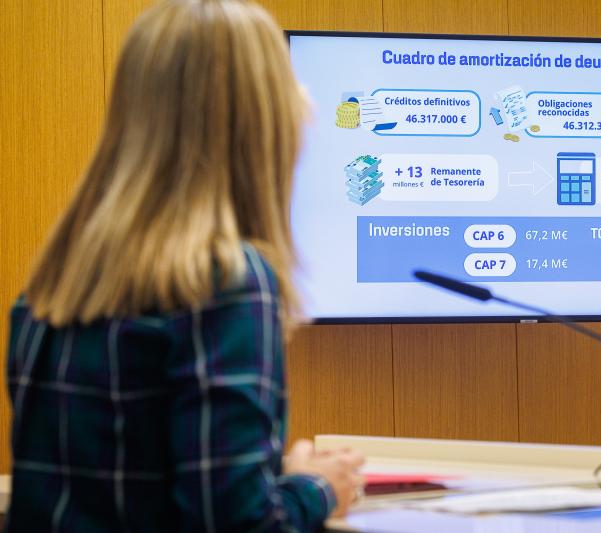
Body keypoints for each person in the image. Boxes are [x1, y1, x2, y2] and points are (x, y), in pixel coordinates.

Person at [4, 0, 364, 531]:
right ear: (265, 122)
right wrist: (316, 488)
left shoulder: (55, 283)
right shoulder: (226, 281)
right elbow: (238, 524)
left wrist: (267, 480)